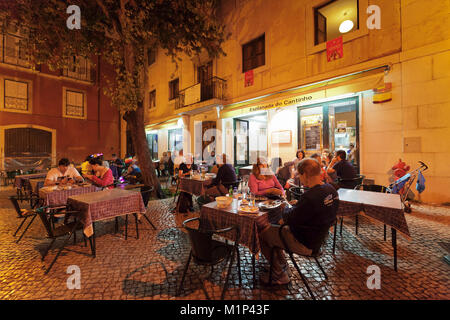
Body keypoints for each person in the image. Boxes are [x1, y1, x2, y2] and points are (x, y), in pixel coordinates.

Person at [258, 158, 339, 284]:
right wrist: (298, 205)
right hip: (319, 239)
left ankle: (279, 274)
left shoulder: (310, 197)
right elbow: (311, 212)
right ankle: (283, 266)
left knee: (263, 234)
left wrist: (285, 207)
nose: (299, 178)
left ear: (305, 174)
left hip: (305, 242)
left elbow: (289, 218)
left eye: (299, 175)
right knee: (275, 232)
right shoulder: (331, 190)